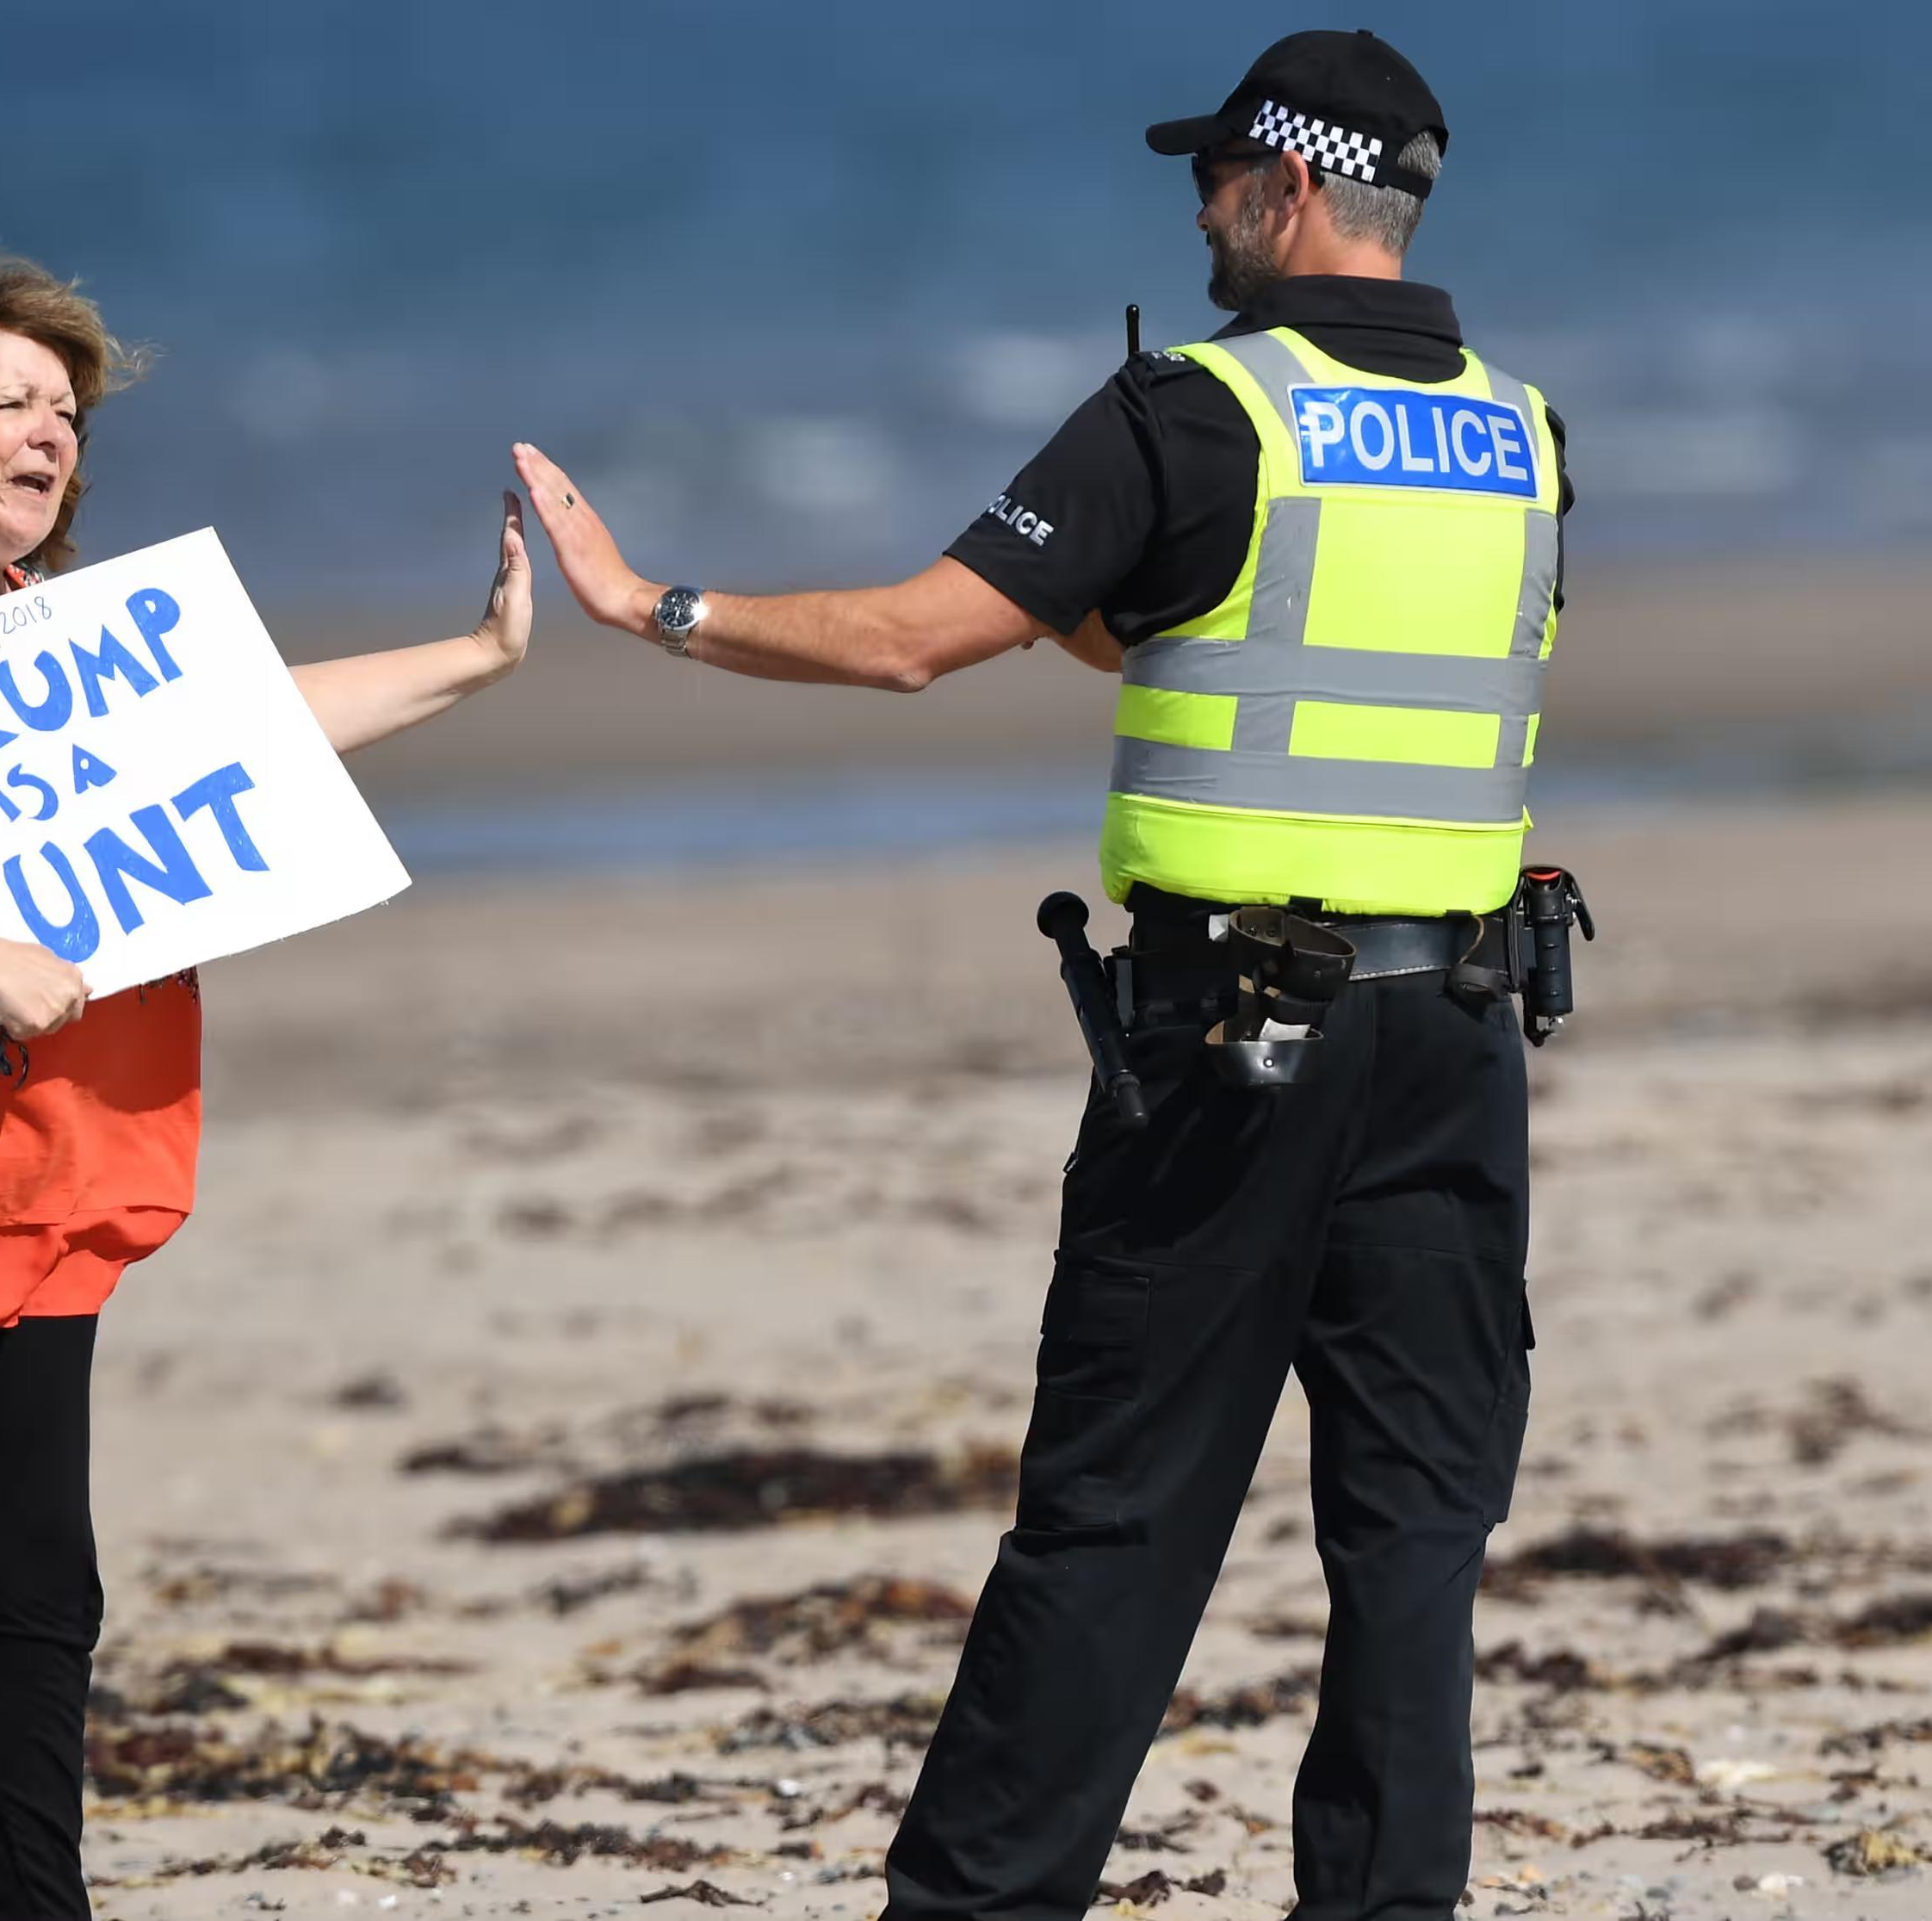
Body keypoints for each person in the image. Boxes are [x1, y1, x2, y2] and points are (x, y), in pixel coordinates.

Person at [513, 29, 1566, 1920]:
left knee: (1114, 1523)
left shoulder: (1193, 412)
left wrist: (656, 609)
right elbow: (1271, 648)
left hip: (1237, 1047)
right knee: (1414, 1543)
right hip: (1459, 1039)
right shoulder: (1520, 430)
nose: (1196, 207)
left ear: (1291, 187)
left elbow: (918, 639)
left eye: (1215, 176)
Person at [0, 250, 530, 1919]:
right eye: (11, 403)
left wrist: (477, 657)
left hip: (26, 1164)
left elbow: (244, 731)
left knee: (33, 1592)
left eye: (67, 412)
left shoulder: (28, 626)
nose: (52, 434)